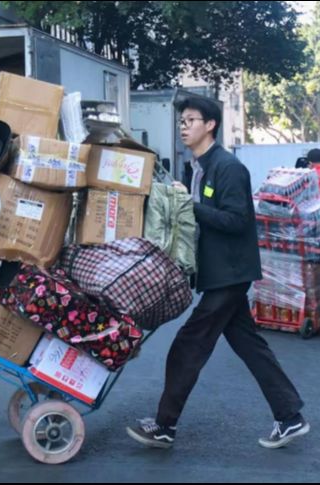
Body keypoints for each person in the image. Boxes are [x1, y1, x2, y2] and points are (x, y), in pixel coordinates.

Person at [126, 97, 308, 450]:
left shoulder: (228, 167)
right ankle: (290, 416)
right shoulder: (199, 167)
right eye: (181, 120)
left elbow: (237, 219)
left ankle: (165, 426)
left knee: (187, 346)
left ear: (210, 125)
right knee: (250, 346)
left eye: (190, 120)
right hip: (221, 272)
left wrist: (190, 206)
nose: (183, 126)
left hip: (231, 273)